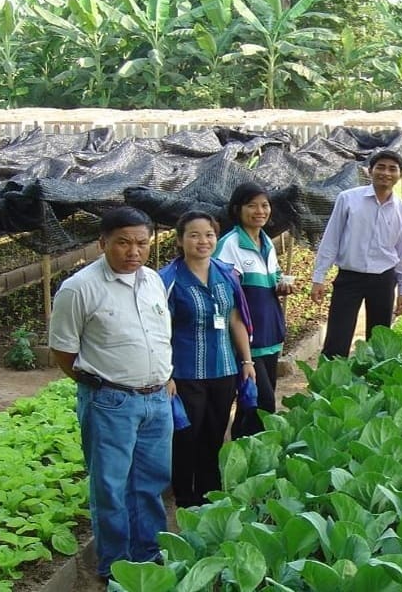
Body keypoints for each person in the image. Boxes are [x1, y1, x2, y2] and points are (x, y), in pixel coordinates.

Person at [48, 206, 173, 580]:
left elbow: (159, 335)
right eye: (123, 243)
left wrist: (163, 377)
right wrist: (101, 385)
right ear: (102, 243)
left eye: (141, 243)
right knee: (110, 487)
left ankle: (147, 556)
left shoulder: (151, 279)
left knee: (151, 484)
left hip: (156, 400)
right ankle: (116, 565)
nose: (134, 251)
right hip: (110, 400)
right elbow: (63, 351)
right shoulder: (79, 289)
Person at [160, 211, 255, 508]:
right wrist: (166, 374)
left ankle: (208, 497)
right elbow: (159, 331)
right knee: (186, 437)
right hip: (185, 374)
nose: (203, 241)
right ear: (179, 240)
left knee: (215, 434)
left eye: (209, 234)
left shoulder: (227, 273)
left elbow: (235, 320)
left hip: (223, 370)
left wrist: (247, 362)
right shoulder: (168, 280)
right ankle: (185, 499)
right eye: (194, 234)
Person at [311, 150, 402, 358]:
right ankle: (329, 384)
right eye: (381, 167)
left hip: (384, 279)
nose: (386, 173)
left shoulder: (401, 209)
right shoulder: (348, 199)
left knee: (379, 341)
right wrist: (318, 277)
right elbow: (331, 239)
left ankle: (373, 385)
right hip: (350, 277)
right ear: (370, 171)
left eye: (392, 169)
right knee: (337, 337)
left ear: (400, 175)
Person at [214, 182, 295, 437]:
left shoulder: (266, 243)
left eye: (264, 205)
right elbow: (225, 294)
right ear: (237, 209)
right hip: (246, 339)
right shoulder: (230, 245)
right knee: (264, 403)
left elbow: (271, 279)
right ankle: (255, 455)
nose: (260, 211)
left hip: (269, 334)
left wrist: (281, 285)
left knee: (252, 404)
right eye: (252, 205)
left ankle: (243, 452)